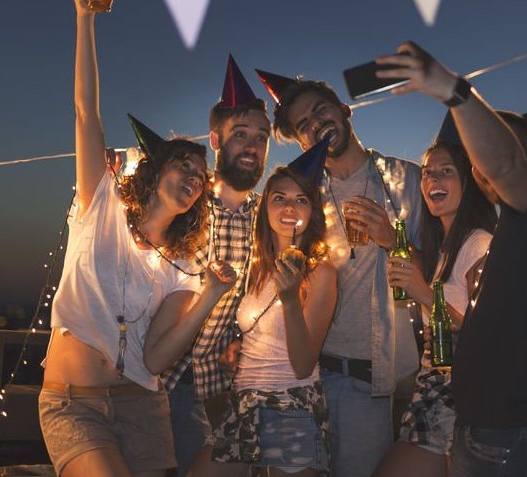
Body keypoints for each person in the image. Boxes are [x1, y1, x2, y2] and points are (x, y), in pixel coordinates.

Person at [376, 41, 527, 476]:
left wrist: (453, 90)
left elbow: (508, 166)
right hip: (491, 429)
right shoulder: (518, 229)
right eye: (477, 161)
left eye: (487, 156)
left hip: (522, 432)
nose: (484, 169)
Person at [38, 3, 236, 476]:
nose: (193, 176)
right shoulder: (99, 206)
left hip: (144, 405)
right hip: (74, 403)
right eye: (183, 165)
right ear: (155, 170)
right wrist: (84, 20)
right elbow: (86, 113)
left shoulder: (182, 266)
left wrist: (210, 294)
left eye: (200, 176)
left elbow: (156, 357)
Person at [257, 69, 423, 477]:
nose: (317, 125)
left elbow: (436, 274)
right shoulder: (305, 197)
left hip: (368, 382)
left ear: (345, 110)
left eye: (321, 111)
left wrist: (391, 239)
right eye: (305, 125)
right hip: (303, 378)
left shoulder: (406, 181)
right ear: (302, 141)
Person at [187, 139, 338, 477]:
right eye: (279, 198)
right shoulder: (257, 266)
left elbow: (302, 364)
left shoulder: (320, 272)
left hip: (291, 409)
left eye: (301, 200)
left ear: (312, 211)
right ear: (265, 207)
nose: (289, 207)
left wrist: (289, 302)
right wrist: (237, 346)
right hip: (241, 406)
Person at [163, 55, 272, 476]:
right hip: (155, 382)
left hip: (214, 389)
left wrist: (244, 339)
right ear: (215, 140)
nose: (251, 146)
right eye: (240, 134)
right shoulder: (185, 204)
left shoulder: (266, 220)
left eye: (261, 138)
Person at [372, 124, 496, 476]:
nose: (433, 181)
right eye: (427, 174)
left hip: (457, 394)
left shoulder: (479, 243)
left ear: (469, 183)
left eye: (446, 172)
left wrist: (423, 292)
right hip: (431, 387)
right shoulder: (444, 248)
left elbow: (486, 330)